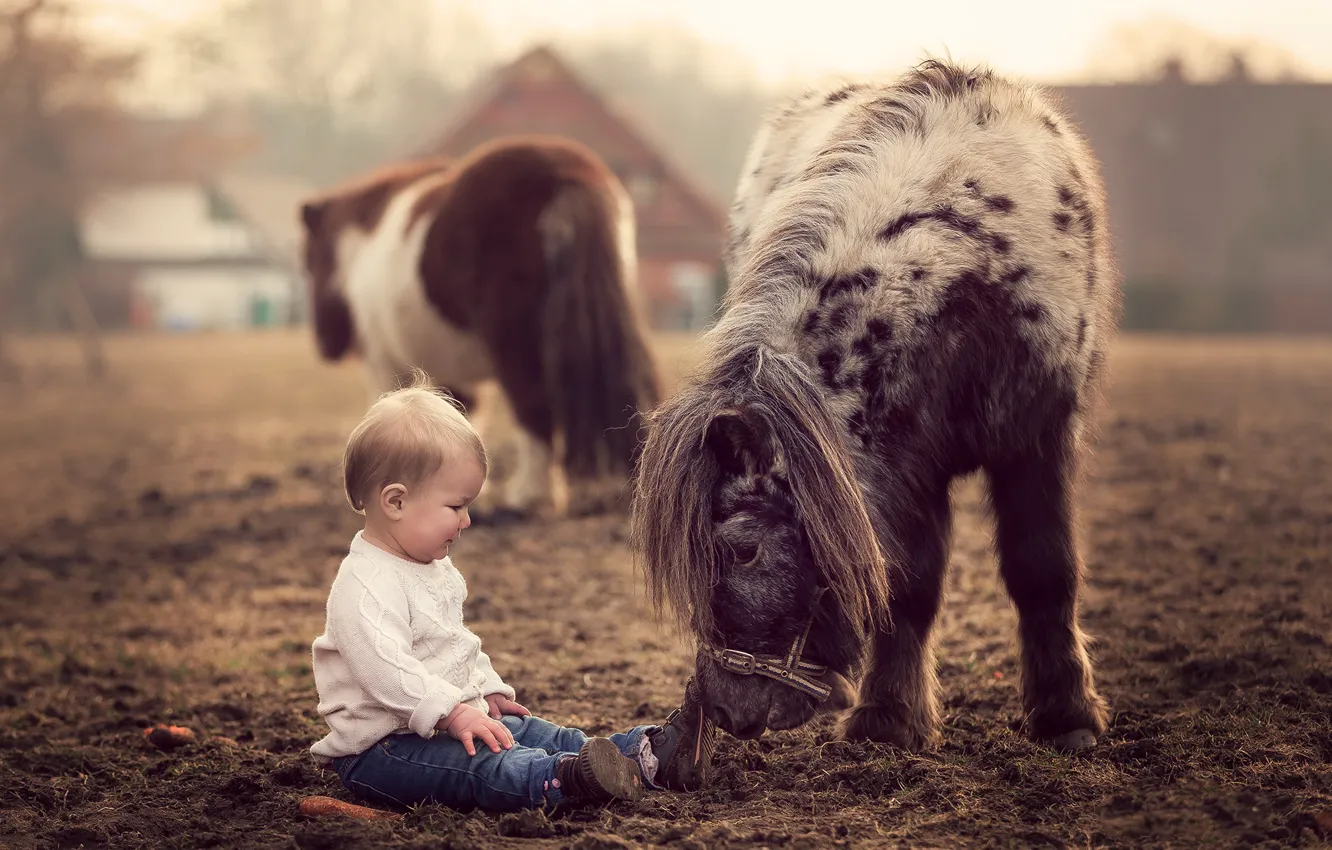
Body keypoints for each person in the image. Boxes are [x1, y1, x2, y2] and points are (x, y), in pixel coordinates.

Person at [308, 371, 714, 812]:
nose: (465, 521)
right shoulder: (365, 586)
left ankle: (644, 756)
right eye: (456, 507)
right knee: (487, 766)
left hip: (445, 720)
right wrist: (452, 712)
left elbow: (453, 645)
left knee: (537, 733)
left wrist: (486, 690)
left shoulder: (429, 565)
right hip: (383, 751)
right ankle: (560, 782)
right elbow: (386, 671)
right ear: (396, 502)